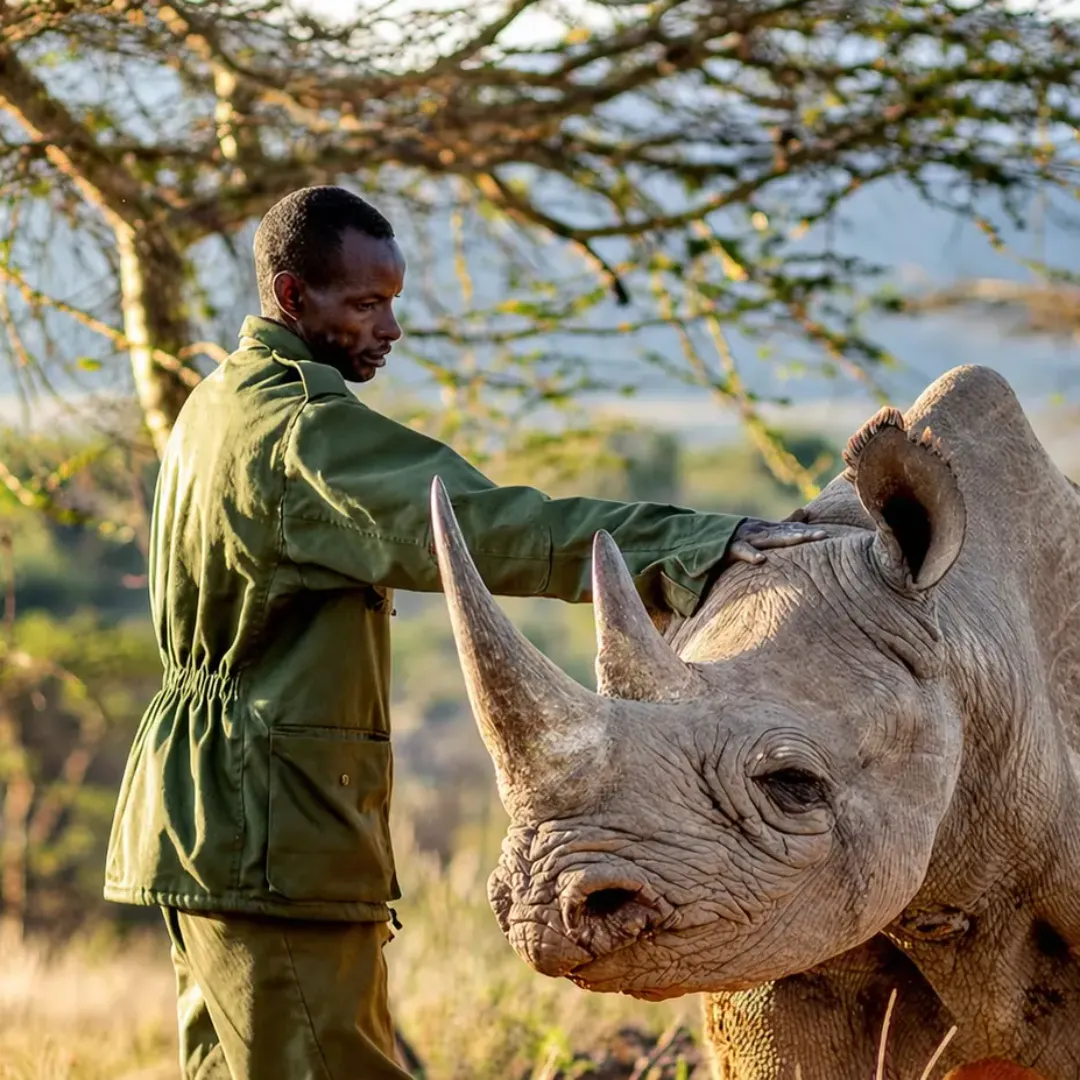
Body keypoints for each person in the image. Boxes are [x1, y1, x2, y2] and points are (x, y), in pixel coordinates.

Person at [103, 185, 826, 1080]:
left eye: (392, 302)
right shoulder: (302, 436)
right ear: (294, 299)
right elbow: (487, 527)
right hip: (269, 823)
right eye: (367, 304)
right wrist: (695, 545)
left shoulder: (218, 405)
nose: (390, 328)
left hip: (206, 814)